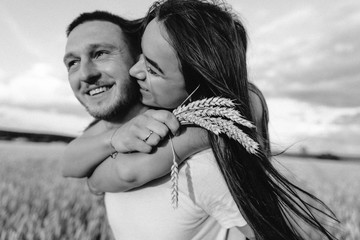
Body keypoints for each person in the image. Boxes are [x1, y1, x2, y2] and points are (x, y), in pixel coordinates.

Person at [84, 0, 338, 239]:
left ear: (199, 88)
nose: (133, 70)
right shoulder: (135, 115)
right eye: (141, 54)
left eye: (153, 69)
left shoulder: (206, 166)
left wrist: (201, 135)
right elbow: (88, 176)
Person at [62, 10, 256, 239]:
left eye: (101, 53)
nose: (85, 73)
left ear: (140, 55)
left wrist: (207, 134)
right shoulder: (101, 136)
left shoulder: (201, 163)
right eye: (73, 62)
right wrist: (114, 141)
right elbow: (68, 164)